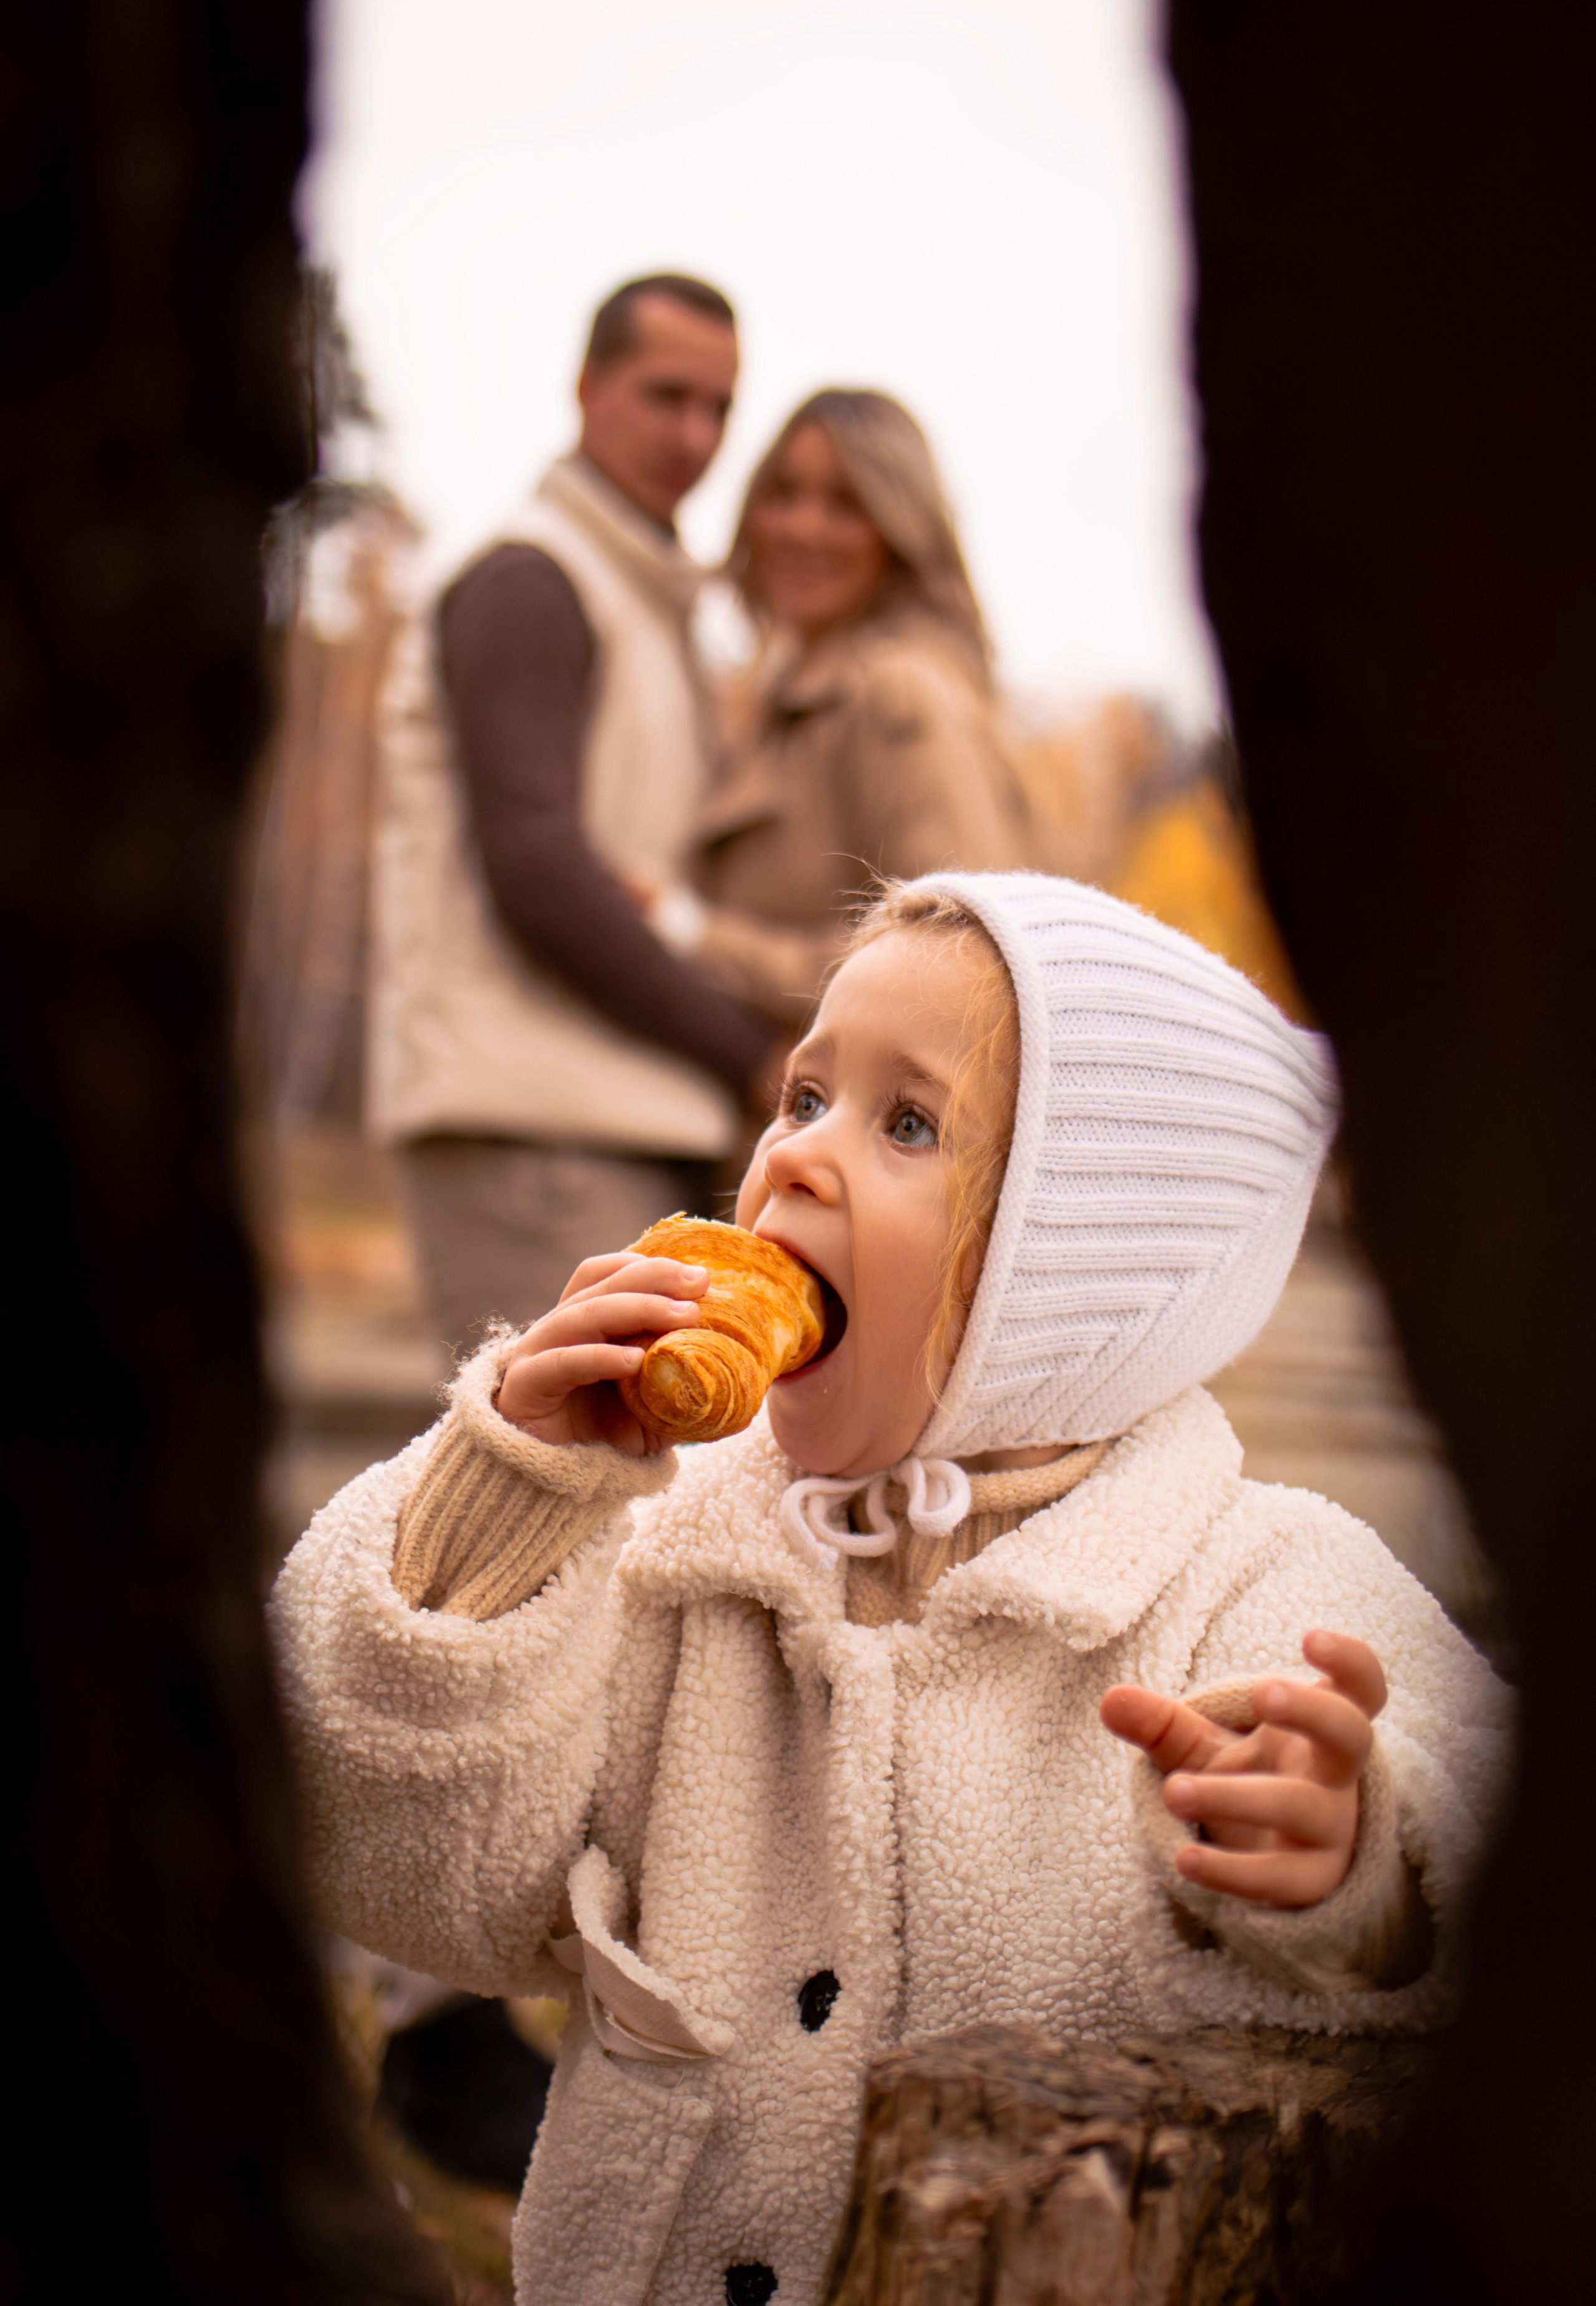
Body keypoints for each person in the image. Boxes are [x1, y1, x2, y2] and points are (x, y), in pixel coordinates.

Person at [274, 872, 1508, 2306]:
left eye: (904, 1121)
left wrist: (1363, 1866)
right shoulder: (666, 1548)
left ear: (1077, 1268)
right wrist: (501, 1514)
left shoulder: (1264, 1588)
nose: (794, 1160)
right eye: (801, 1097)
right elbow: (387, 1863)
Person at [368, 272, 784, 1360]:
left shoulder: (641, 599)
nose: (695, 434)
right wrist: (747, 1055)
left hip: (620, 1125)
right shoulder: (532, 582)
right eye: (665, 394)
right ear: (588, 385)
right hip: (533, 1140)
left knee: (632, 1523)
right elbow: (539, 872)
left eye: (719, 408)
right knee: (558, 1509)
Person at [662, 388, 1035, 1026]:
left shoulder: (897, 693)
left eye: (846, 505)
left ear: (898, 529)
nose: (803, 529)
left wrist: (693, 936)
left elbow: (951, 953)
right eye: (783, 494)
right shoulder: (774, 704)